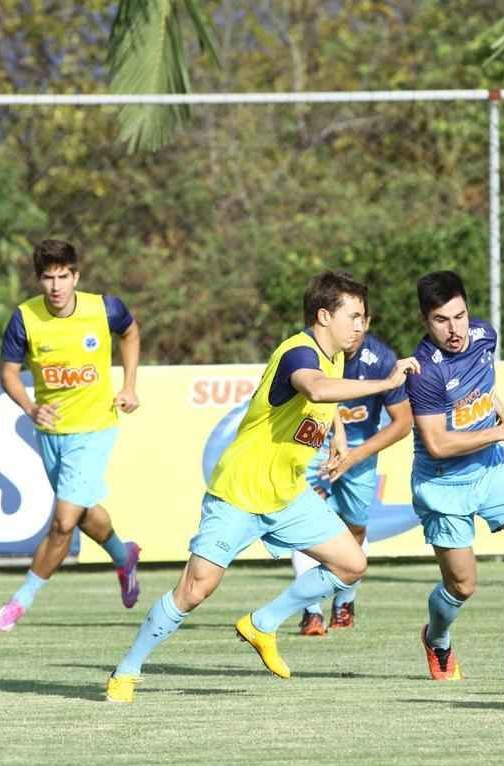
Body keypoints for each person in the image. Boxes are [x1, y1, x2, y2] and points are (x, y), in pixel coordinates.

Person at [105, 271, 419, 703]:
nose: (362, 325)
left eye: (364, 316)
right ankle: (127, 671)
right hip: (240, 491)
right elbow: (317, 389)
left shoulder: (336, 357)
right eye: (355, 315)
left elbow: (322, 407)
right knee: (195, 589)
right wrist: (385, 383)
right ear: (324, 316)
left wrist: (339, 440)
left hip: (287, 494)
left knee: (351, 564)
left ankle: (263, 623)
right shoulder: (297, 353)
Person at [407, 271, 504, 681]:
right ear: (426, 320)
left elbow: (480, 385)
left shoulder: (485, 335)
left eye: (460, 316)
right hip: (444, 484)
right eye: (442, 320)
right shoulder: (424, 371)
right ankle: (436, 639)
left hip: (490, 469)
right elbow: (437, 443)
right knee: (462, 587)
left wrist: (495, 408)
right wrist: (503, 430)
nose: (454, 329)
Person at [0, 238, 143, 633]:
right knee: (86, 512)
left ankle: (19, 603)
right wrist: (30, 406)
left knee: (62, 522)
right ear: (38, 280)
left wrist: (129, 386)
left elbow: (130, 333)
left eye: (62, 277)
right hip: (51, 432)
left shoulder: (103, 308)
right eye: (47, 278)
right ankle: (123, 557)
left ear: (76, 276)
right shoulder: (25, 318)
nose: (55, 286)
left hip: (94, 428)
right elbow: (8, 373)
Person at [292, 319, 412, 635]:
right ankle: (310, 610)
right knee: (306, 522)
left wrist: (353, 456)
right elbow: (317, 391)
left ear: (369, 321)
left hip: (360, 454)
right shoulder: (311, 350)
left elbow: (402, 423)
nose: (355, 327)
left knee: (355, 529)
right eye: (349, 318)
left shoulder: (382, 360)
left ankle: (344, 602)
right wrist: (334, 434)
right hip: (312, 442)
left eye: (361, 319)